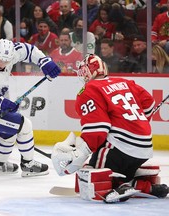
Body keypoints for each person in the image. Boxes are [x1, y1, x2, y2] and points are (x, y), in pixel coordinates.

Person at [51, 54, 169, 203]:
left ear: (88, 72)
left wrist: (82, 152)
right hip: (145, 147)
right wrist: (135, 124)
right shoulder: (125, 82)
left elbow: (98, 128)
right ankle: (143, 186)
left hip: (120, 147)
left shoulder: (89, 89)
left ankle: (122, 185)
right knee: (108, 165)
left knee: (94, 173)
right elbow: (149, 103)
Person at [0, 39, 61, 177]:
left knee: (9, 133)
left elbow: (28, 50)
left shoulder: (7, 52)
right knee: (24, 125)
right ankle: (28, 165)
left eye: (6, 61)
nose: (2, 64)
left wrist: (44, 61)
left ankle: (0, 164)